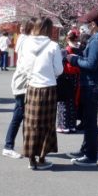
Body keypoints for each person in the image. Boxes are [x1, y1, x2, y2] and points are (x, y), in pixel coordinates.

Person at [66, 10, 98, 167]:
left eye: (85, 24)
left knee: (90, 122)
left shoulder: (96, 40)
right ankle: (85, 150)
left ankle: (90, 156)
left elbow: (91, 64)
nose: (82, 27)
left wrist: (73, 60)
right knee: (88, 120)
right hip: (95, 85)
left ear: (92, 24)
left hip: (92, 85)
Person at [22, 17, 63, 170]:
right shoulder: (53, 46)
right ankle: (42, 158)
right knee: (47, 124)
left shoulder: (26, 43)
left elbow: (23, 66)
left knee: (31, 124)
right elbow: (59, 70)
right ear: (48, 29)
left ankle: (31, 159)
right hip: (48, 88)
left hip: (32, 87)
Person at [2, 18, 36, 159]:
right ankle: (8, 146)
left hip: (21, 81)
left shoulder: (23, 39)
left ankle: (21, 146)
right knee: (19, 115)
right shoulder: (27, 41)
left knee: (22, 115)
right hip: (23, 82)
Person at [56, 29, 80, 133]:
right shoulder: (79, 50)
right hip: (76, 77)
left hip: (65, 76)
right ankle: (72, 125)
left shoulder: (65, 51)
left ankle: (63, 125)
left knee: (63, 101)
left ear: (67, 38)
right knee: (73, 101)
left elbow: (60, 64)